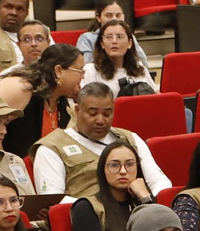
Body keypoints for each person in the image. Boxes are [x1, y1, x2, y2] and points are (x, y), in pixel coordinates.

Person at [33, 79, 169, 198]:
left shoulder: (130, 138)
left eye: (107, 114)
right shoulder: (51, 147)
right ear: (77, 110)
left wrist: (151, 200)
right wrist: (89, 209)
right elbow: (53, 200)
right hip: (88, 218)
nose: (100, 120)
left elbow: (159, 181)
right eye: (92, 113)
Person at [71, 137, 156, 231]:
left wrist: (146, 197)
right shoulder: (86, 207)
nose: (123, 171)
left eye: (129, 164)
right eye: (114, 165)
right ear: (102, 169)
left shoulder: (141, 203)